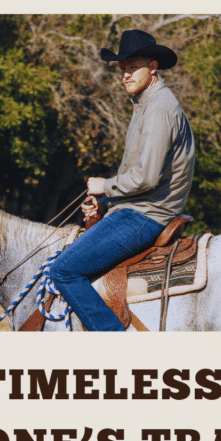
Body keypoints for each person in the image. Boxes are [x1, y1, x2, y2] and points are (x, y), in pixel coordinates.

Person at [49, 29, 195, 331]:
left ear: (153, 67)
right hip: (138, 209)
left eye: (133, 67)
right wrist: (105, 203)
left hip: (146, 215)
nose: (126, 75)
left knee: (63, 270)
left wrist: (105, 186)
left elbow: (146, 177)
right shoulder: (146, 105)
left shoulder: (158, 110)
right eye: (123, 69)